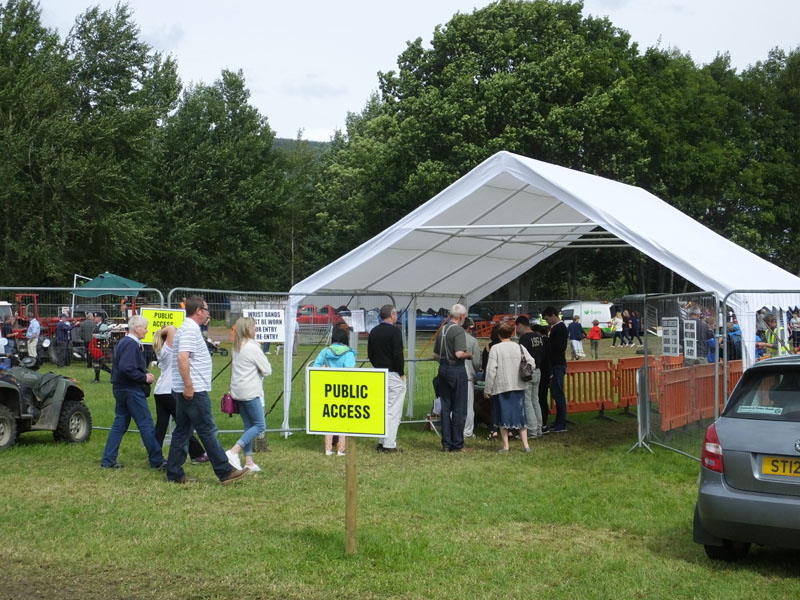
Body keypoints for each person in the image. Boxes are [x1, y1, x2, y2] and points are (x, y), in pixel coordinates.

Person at [166, 296, 249, 485]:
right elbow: (182, 358)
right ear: (198, 311)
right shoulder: (188, 330)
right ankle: (224, 471)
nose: (208, 312)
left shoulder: (189, 328)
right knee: (207, 430)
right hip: (193, 391)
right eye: (206, 309)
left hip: (188, 389)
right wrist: (189, 386)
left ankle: (174, 473)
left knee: (182, 431)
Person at [100, 315, 165, 470]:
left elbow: (125, 366)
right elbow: (127, 367)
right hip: (131, 389)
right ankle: (157, 460)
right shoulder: (131, 344)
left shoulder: (123, 342)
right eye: (145, 327)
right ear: (136, 328)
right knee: (146, 424)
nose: (147, 330)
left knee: (120, 423)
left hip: (120, 388)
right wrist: (144, 377)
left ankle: (108, 459)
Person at [152, 325, 208, 464]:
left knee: (161, 426)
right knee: (184, 423)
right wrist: (165, 330)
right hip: (169, 391)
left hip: (160, 391)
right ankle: (197, 454)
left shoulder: (162, 348)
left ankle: (155, 456)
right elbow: (171, 329)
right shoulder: (169, 348)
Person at [225, 316, 271, 472]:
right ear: (247, 329)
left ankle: (249, 462)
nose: (256, 329)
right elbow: (267, 370)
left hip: (238, 391)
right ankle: (233, 451)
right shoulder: (252, 347)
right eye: (253, 327)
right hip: (250, 391)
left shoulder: (237, 346)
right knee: (260, 425)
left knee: (248, 426)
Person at [483, 321, 535, 453]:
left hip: (501, 387)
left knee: (503, 418)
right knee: (521, 417)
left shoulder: (495, 348)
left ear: (499, 335)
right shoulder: (520, 347)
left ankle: (506, 446)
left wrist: (487, 389)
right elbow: (531, 363)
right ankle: (526, 445)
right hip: (518, 385)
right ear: (511, 333)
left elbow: (491, 371)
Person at [432, 303, 473, 452]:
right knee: (459, 408)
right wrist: (469, 354)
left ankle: (446, 443)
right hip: (456, 369)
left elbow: (435, 355)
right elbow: (459, 354)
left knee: (445, 406)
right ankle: (458, 444)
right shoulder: (458, 331)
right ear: (462, 317)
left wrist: (444, 362)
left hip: (442, 368)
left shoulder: (443, 329)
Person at [367, 304, 406, 453]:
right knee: (393, 410)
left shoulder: (374, 331)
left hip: (379, 372)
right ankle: (389, 444)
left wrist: (377, 366)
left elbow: (370, 354)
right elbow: (398, 355)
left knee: (383, 409)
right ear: (392, 315)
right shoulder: (394, 332)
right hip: (393, 373)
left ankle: (381, 440)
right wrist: (401, 373)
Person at [313, 326, 356, 455]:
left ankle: (328, 448)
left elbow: (316, 366)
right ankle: (341, 449)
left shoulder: (325, 351)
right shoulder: (349, 354)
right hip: (343, 388)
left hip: (328, 388)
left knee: (329, 418)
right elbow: (350, 370)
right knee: (343, 418)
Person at [516, 316, 544, 440]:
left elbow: (521, 356)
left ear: (520, 325)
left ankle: (532, 430)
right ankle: (539, 427)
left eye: (517, 327)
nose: (517, 330)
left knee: (527, 402)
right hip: (538, 370)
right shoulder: (539, 337)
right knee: (535, 400)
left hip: (527, 371)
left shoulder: (524, 339)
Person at [542, 306, 568, 433]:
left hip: (557, 364)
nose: (547, 322)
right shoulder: (557, 328)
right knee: (556, 393)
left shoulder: (560, 328)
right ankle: (559, 421)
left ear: (552, 315)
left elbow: (559, 346)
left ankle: (561, 422)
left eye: (547, 319)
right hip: (557, 364)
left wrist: (547, 342)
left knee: (558, 394)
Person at [461, 317, 482, 439]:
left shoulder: (450, 336)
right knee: (468, 405)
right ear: (469, 327)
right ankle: (467, 431)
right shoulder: (472, 340)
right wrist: (475, 373)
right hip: (467, 374)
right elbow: (476, 362)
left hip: (451, 375)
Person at [531, 323, 551, 429]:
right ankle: (543, 422)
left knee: (540, 398)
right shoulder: (547, 342)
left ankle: (541, 422)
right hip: (547, 372)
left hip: (543, 372)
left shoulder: (543, 342)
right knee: (541, 398)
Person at [89, 313, 112, 383]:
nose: (94, 319)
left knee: (99, 363)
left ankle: (112, 374)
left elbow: (107, 335)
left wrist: (96, 336)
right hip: (96, 348)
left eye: (95, 317)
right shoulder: (96, 326)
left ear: (100, 318)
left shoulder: (103, 326)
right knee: (97, 363)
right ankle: (97, 379)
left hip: (101, 347)